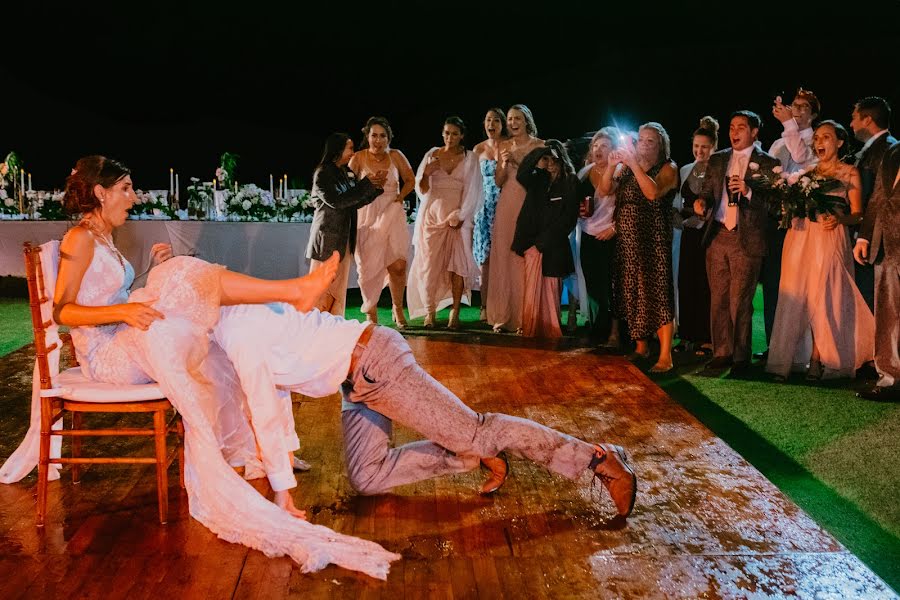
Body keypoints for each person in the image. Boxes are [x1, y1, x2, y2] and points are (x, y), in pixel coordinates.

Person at [0, 155, 402, 579]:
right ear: (100, 193)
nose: (133, 198)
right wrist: (122, 311)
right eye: (125, 189)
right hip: (107, 357)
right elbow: (63, 311)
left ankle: (290, 297)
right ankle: (292, 292)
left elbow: (111, 296)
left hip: (124, 334)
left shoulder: (104, 239)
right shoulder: (79, 240)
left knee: (179, 275)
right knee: (182, 277)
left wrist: (147, 277)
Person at [210, 304, 638, 518]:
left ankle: (596, 458)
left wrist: (283, 490)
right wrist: (282, 458)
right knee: (367, 477)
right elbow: (280, 386)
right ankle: (471, 449)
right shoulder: (238, 317)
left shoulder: (238, 335)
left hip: (378, 364)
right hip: (355, 384)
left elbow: (265, 406)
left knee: (479, 430)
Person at [766, 121, 874, 380]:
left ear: (838, 142)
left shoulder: (850, 173)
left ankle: (819, 359)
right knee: (797, 295)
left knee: (824, 297)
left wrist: (840, 219)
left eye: (826, 137)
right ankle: (787, 359)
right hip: (800, 237)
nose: (819, 142)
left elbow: (858, 215)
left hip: (829, 238)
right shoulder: (807, 174)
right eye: (816, 138)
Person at [696, 111, 780, 376]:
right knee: (718, 298)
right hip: (718, 234)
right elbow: (708, 192)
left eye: (741, 127)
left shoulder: (767, 162)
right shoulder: (719, 158)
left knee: (740, 300)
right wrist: (703, 202)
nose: (735, 132)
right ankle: (722, 352)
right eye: (732, 127)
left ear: (754, 132)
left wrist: (749, 191)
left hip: (747, 238)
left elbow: (775, 205)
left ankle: (741, 357)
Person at [598, 123, 678, 373]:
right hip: (627, 241)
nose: (643, 144)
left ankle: (665, 355)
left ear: (660, 145)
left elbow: (652, 193)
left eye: (650, 141)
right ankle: (641, 347)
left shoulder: (668, 167)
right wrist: (612, 165)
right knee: (632, 291)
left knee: (657, 294)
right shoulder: (626, 168)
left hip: (653, 240)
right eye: (640, 139)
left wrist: (633, 165)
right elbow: (603, 190)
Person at [758, 89, 821, 362]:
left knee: (801, 286)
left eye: (804, 106)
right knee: (773, 284)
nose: (797, 109)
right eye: (794, 105)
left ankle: (802, 349)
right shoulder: (777, 143)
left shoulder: (816, 141)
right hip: (775, 222)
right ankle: (775, 345)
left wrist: (789, 126)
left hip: (803, 223)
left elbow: (806, 160)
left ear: (814, 113)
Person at [407, 116, 482, 328]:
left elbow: (473, 191)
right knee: (429, 265)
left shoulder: (470, 158)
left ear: (462, 136)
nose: (450, 137)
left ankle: (455, 312)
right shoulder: (432, 154)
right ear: (442, 133)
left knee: (456, 266)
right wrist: (426, 174)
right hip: (432, 218)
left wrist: (461, 215)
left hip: (459, 218)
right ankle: (429, 311)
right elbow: (421, 190)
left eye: (455, 134)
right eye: (447, 133)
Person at [306, 133, 386, 316]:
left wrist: (375, 188)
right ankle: (316, 330)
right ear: (338, 149)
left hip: (343, 239)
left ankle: (334, 328)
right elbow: (337, 202)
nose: (353, 152)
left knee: (337, 290)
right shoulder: (323, 173)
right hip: (327, 239)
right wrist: (366, 184)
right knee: (322, 292)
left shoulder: (344, 172)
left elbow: (353, 202)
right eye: (350, 148)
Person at [348, 117, 416, 328]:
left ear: (389, 138)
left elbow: (411, 180)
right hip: (367, 215)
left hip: (393, 213)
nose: (378, 140)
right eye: (374, 135)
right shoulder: (358, 158)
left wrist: (399, 197)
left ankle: (397, 307)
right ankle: (371, 311)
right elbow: (347, 188)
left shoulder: (396, 156)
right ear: (367, 137)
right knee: (368, 266)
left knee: (398, 265)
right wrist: (365, 188)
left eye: (382, 136)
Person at [511, 141, 580, 337]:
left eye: (553, 158)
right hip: (532, 243)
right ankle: (531, 329)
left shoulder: (570, 181)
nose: (549, 162)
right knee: (531, 290)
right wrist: (540, 152)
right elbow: (521, 173)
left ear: (561, 158)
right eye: (546, 158)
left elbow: (568, 219)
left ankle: (551, 331)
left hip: (552, 246)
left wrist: (542, 244)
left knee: (550, 292)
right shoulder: (538, 179)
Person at [485, 104, 544, 333]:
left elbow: (538, 179)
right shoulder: (503, 145)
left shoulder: (539, 145)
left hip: (528, 203)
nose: (512, 123)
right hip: (507, 203)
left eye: (517, 118)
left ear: (526, 120)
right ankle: (503, 315)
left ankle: (523, 318)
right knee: (504, 257)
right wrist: (502, 164)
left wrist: (518, 162)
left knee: (523, 259)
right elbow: (499, 182)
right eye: (509, 119)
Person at [854, 140, 900, 401]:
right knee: (888, 314)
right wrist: (864, 236)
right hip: (886, 244)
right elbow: (880, 195)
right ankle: (889, 379)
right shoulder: (893, 151)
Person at [672, 117, 717, 358]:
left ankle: (707, 338)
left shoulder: (718, 168)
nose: (699, 151)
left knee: (706, 284)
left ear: (714, 147)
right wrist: (677, 216)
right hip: (688, 233)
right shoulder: (685, 169)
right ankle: (687, 334)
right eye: (696, 146)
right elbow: (678, 202)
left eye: (705, 147)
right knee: (686, 282)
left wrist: (704, 217)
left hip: (709, 234)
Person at [849, 97, 896, 312]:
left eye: (854, 118)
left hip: (881, 242)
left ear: (867, 120)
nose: (851, 124)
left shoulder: (888, 149)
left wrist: (864, 234)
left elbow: (878, 196)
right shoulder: (873, 149)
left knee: (877, 301)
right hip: (869, 238)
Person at [576, 128, 620, 344]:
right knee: (592, 283)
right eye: (595, 146)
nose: (598, 150)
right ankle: (597, 329)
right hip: (587, 232)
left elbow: (611, 195)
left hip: (611, 234)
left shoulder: (620, 170)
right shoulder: (584, 172)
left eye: (604, 146)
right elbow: (575, 199)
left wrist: (615, 228)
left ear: (613, 150)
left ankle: (614, 332)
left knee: (611, 285)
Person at [472, 108, 508, 320]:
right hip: (484, 209)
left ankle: (503, 304)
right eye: (488, 120)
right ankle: (484, 306)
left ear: (502, 124)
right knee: (485, 259)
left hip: (505, 204)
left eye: (495, 120)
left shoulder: (509, 145)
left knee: (503, 258)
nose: (491, 124)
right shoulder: (478, 149)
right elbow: (472, 182)